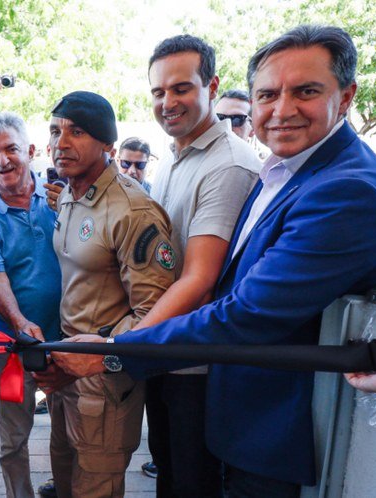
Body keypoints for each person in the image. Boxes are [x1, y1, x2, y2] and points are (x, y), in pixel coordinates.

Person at [51, 25, 376, 497]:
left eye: (306, 91)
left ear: (345, 96)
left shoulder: (348, 189)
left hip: (278, 421)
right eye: (268, 94)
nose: (282, 110)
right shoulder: (286, 168)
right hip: (228, 393)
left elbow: (244, 310)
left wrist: (114, 352)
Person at [135, 35, 261, 498]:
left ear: (212, 85)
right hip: (165, 349)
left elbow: (199, 279)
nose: (168, 102)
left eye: (181, 88)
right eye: (158, 91)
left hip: (198, 366)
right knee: (168, 474)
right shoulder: (173, 159)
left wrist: (125, 345)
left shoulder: (228, 164)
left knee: (193, 483)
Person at [37, 91, 176, 498]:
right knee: (64, 477)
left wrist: (102, 355)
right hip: (65, 368)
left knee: (95, 487)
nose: (61, 143)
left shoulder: (133, 211)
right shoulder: (68, 193)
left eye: (76, 132)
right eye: (55, 131)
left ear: (106, 145)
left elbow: (156, 312)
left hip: (105, 379)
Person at [0, 111, 62, 498]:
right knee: (12, 436)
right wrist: (19, 322)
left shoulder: (61, 196)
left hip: (67, 343)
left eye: (11, 148)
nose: (3, 160)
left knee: (70, 428)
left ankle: (67, 487)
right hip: (12, 350)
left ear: (29, 150)